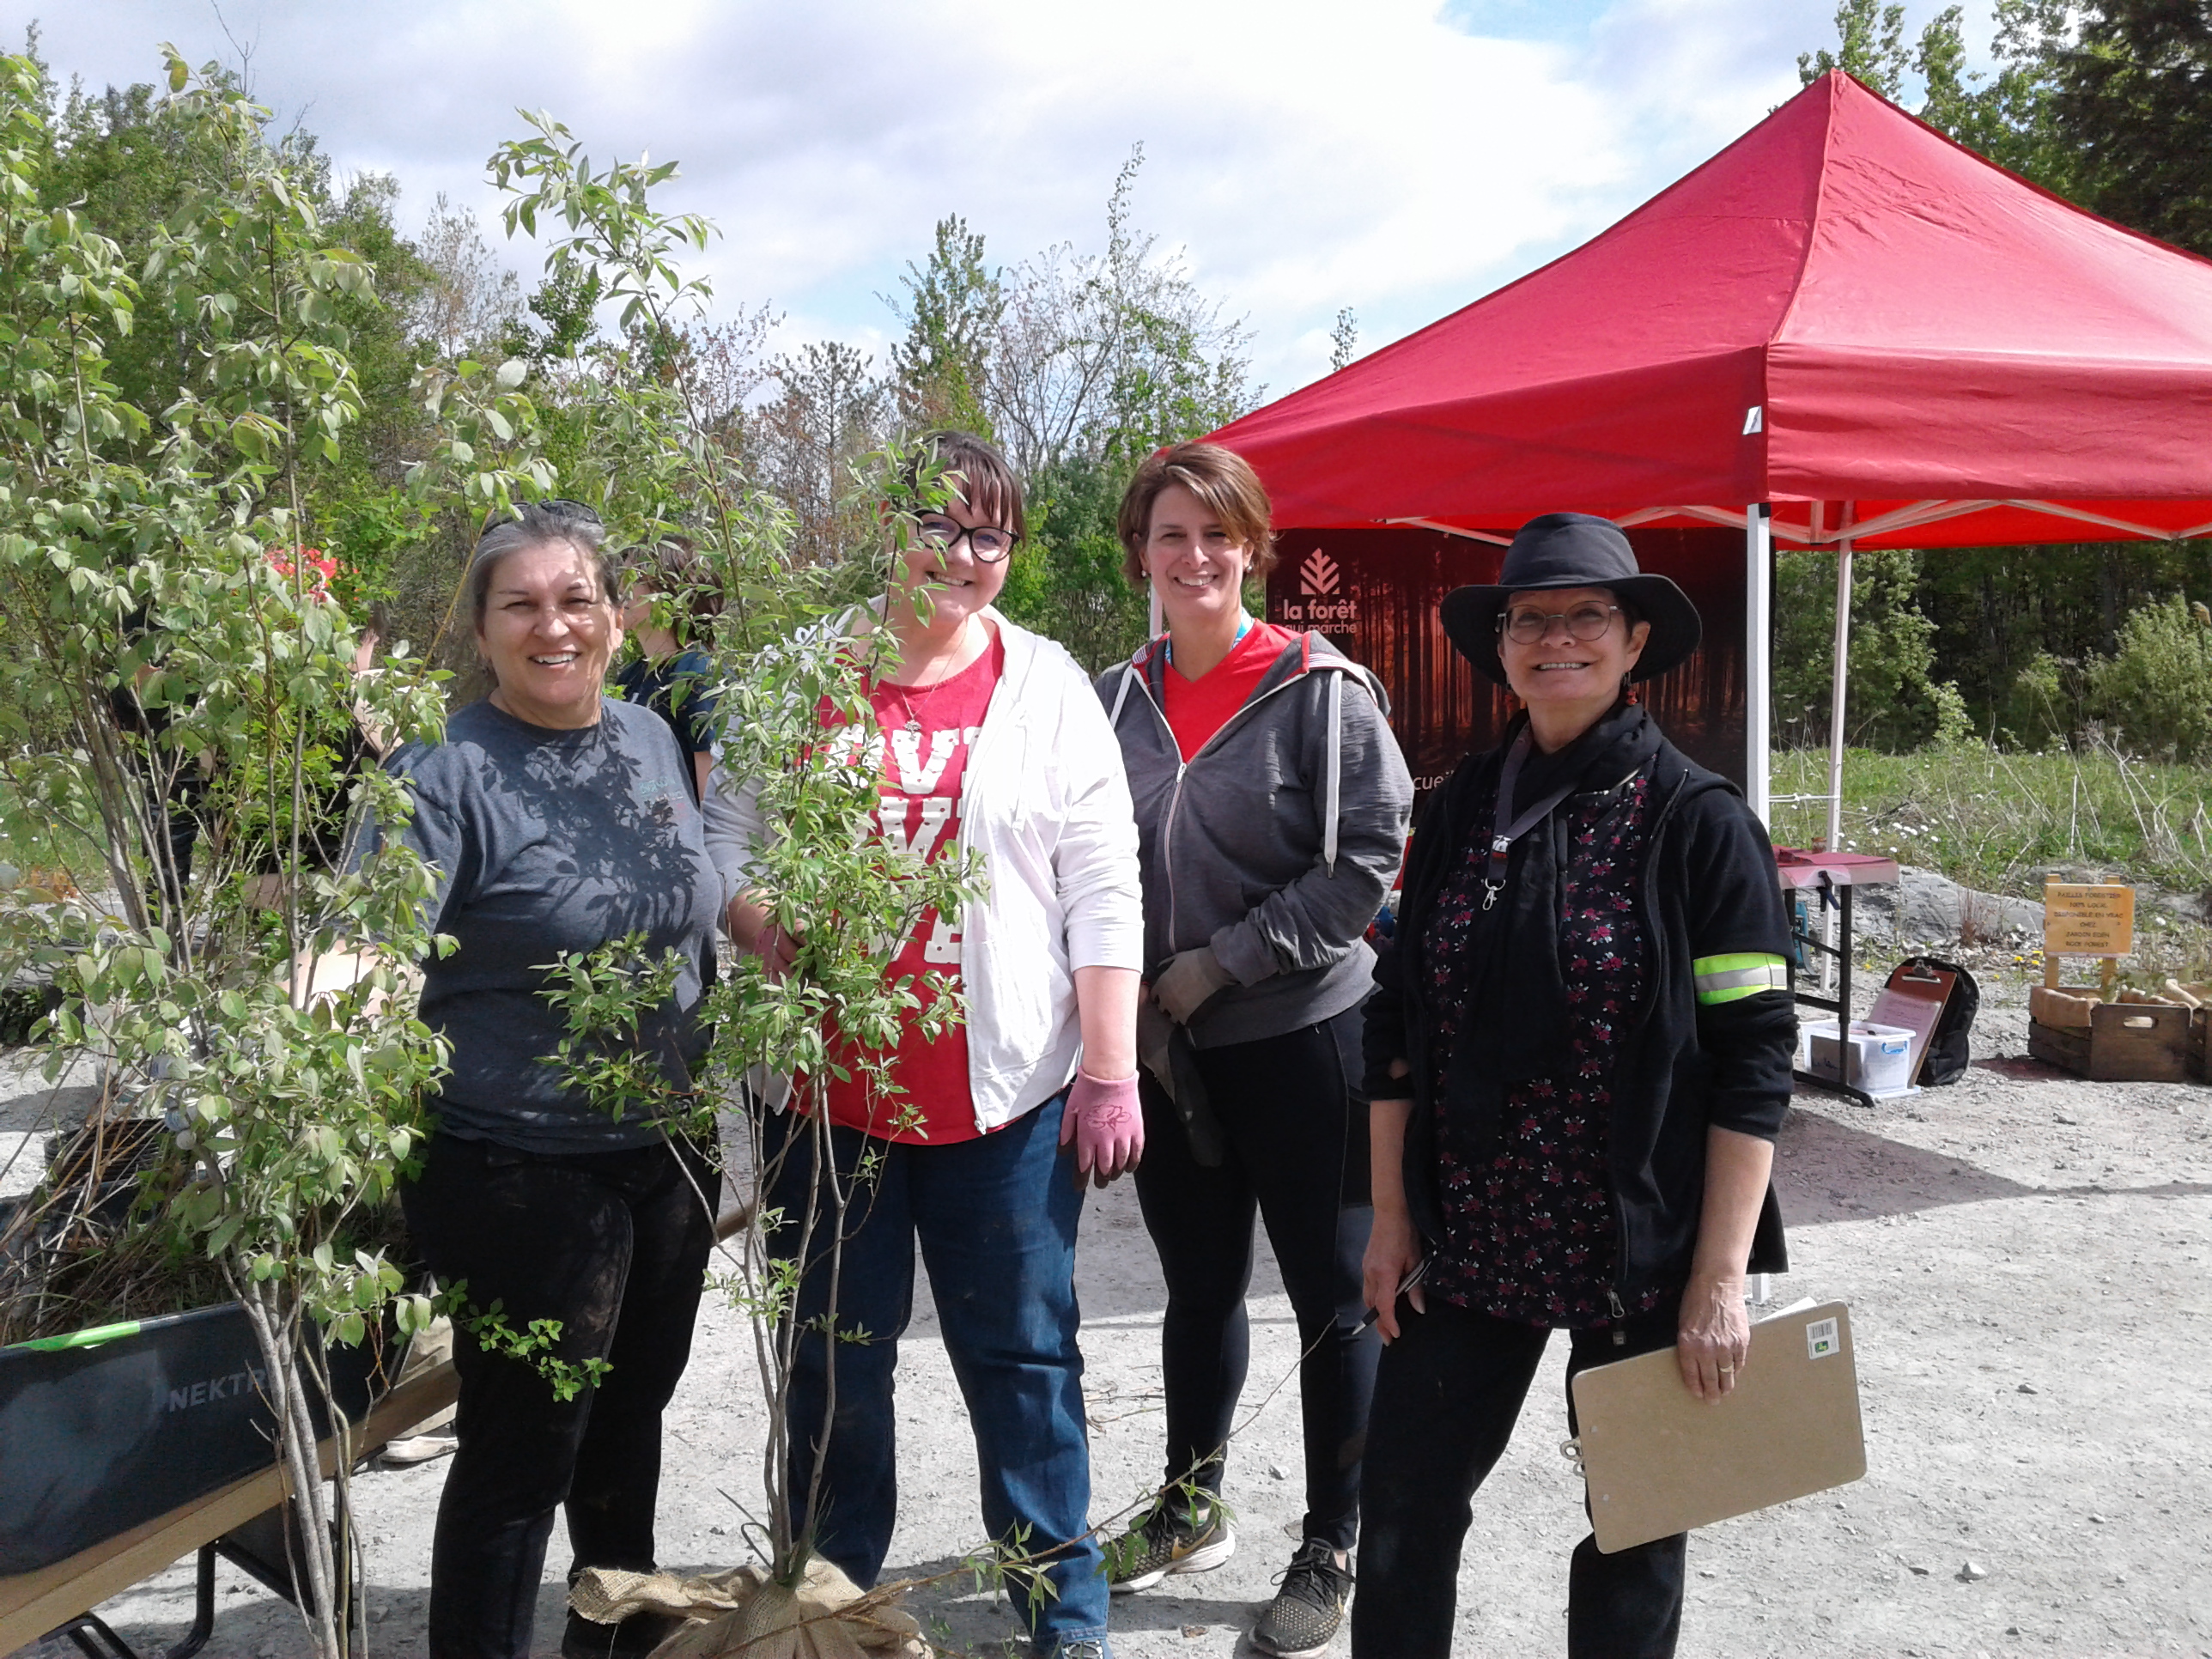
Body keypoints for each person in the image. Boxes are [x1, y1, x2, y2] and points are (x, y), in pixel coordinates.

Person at [704, 431, 1145, 1659]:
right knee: (833, 1363)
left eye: (988, 534)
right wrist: (758, 918)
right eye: (937, 526)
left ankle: (1063, 1614)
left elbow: (1104, 882)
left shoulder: (1047, 685)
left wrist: (1109, 1066)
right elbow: (725, 829)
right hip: (823, 1099)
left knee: (1024, 1361)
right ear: (886, 528)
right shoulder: (801, 669)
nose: (961, 554)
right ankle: (832, 1606)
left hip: (1001, 1102)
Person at [1352, 513, 1796, 1659]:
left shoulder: (1699, 822)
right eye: (1530, 618)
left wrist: (1719, 1280)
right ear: (1500, 646)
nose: (1556, 638)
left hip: (1637, 1251)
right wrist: (1391, 1218)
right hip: (1469, 1239)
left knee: (1636, 1532)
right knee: (1399, 1514)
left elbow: (1755, 1061)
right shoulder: (1458, 808)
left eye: (1585, 614)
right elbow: (1394, 1022)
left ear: (1633, 640)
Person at [368, 500, 726, 1659]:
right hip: (513, 1162)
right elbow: (370, 955)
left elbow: (694, 910)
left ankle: (611, 1641)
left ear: (617, 617)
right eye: (520, 604)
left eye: (577, 599)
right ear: (480, 630)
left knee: (630, 1423)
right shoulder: (442, 773)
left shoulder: (648, 739)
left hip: (665, 1147)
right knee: (523, 1455)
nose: (553, 625)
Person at [1096, 441, 1413, 1658]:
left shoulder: (1322, 692)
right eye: (1171, 535)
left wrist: (1221, 962)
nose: (1195, 557)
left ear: (1253, 549)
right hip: (1172, 1052)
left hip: (1305, 1038)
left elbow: (1366, 861)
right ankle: (1190, 1506)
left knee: (1334, 1299)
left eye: (1216, 534)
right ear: (1140, 554)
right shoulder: (1111, 700)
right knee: (1198, 1286)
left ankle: (1332, 1540)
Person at [615, 535, 722, 805]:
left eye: (634, 577)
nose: (621, 587)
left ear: (671, 592)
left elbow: (712, 803)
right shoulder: (630, 678)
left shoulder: (700, 674)